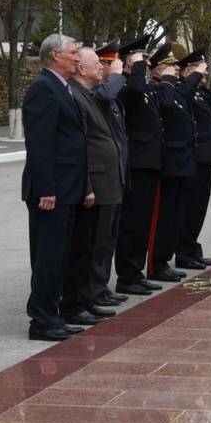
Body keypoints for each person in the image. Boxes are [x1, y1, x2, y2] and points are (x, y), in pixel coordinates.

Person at [21, 34, 89, 341]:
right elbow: (40, 144)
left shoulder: (63, 88)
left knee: (60, 255)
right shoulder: (43, 89)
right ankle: (42, 320)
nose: (77, 58)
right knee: (48, 257)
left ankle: (52, 314)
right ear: (54, 56)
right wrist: (46, 188)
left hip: (68, 189)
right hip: (51, 192)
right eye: (73, 53)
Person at [64, 46, 124, 326]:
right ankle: (83, 298)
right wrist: (87, 184)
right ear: (81, 69)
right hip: (95, 180)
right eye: (95, 63)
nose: (101, 67)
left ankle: (90, 297)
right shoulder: (78, 94)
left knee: (100, 242)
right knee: (89, 245)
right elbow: (83, 147)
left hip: (107, 179)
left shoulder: (87, 94)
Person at [146, 43, 204, 282]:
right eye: (169, 66)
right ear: (158, 69)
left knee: (174, 216)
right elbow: (167, 105)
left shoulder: (175, 89)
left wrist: (195, 73)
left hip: (181, 164)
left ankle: (164, 260)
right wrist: (167, 81)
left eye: (175, 67)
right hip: (168, 165)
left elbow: (184, 92)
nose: (175, 70)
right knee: (162, 217)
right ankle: (156, 264)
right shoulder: (158, 89)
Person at [113, 34, 166, 296]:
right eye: (140, 58)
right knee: (132, 223)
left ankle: (136, 271)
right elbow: (133, 92)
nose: (145, 62)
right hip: (135, 164)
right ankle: (127, 276)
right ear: (128, 61)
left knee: (142, 223)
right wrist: (134, 66)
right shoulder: (124, 86)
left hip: (148, 163)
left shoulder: (139, 86)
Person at [90, 40, 130, 308]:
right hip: (100, 181)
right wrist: (117, 76)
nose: (113, 68)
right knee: (98, 239)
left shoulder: (111, 97)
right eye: (108, 64)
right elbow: (105, 95)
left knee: (109, 239)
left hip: (116, 178)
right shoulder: (96, 94)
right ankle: (93, 289)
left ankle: (101, 286)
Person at [175, 50, 211, 270]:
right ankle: (184, 252)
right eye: (199, 68)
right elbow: (182, 93)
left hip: (206, 159)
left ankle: (193, 249)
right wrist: (193, 79)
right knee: (190, 208)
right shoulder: (183, 89)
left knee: (199, 208)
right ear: (186, 70)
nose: (204, 72)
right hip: (194, 159)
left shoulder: (202, 92)